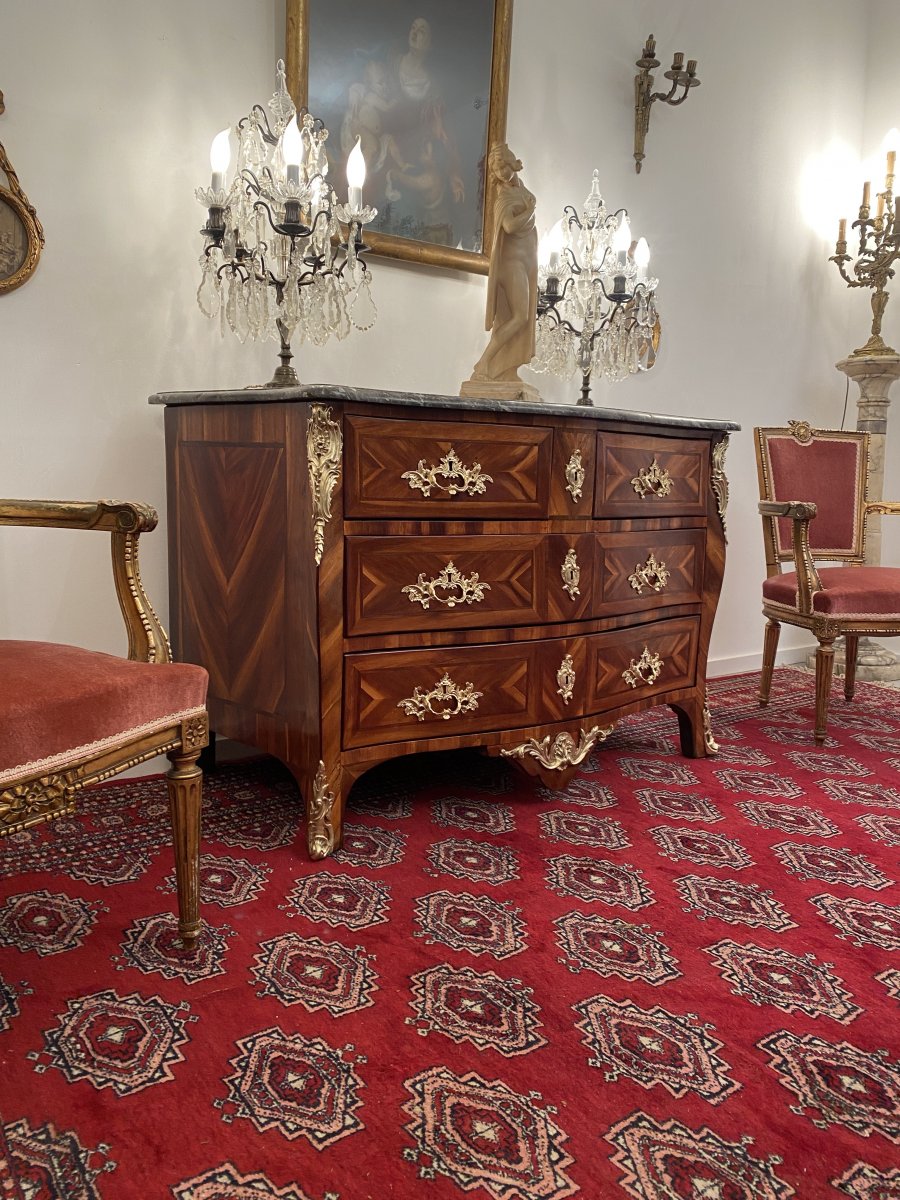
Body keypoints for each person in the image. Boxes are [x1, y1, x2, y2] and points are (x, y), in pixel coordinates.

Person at [469, 144, 538, 384]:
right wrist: (530, 211)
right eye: (495, 170)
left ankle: (502, 368)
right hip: (511, 266)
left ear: (511, 164)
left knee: (519, 316)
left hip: (523, 264)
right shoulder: (505, 196)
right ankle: (484, 362)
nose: (499, 173)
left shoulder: (520, 189)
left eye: (501, 167)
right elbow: (509, 226)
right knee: (520, 317)